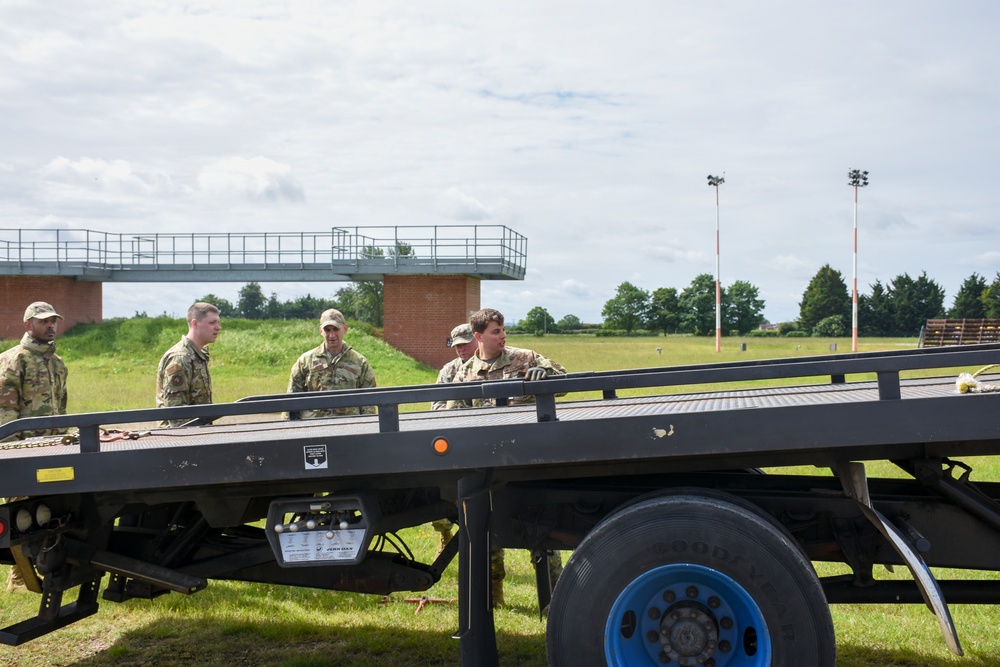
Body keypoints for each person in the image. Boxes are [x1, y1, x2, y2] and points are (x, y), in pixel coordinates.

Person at [447, 308, 566, 606]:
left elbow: (564, 378)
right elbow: (453, 414)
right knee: (487, 535)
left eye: (503, 330)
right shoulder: (463, 372)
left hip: (527, 460)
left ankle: (556, 601)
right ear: (479, 336)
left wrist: (545, 376)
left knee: (543, 534)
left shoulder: (523, 357)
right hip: (487, 465)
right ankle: (493, 602)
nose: (502, 336)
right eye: (496, 331)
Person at [1, 301, 69, 592]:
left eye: (53, 320)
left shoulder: (57, 363)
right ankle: (20, 578)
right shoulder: (14, 360)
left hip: (53, 448)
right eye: (43, 321)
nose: (50, 325)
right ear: (28, 325)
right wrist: (13, 457)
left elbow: (63, 410)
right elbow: (5, 413)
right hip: (23, 452)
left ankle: (48, 568)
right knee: (21, 517)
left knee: (50, 512)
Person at [429, 323, 479, 556]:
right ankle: (445, 534)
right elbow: (436, 403)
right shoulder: (449, 371)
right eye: (457, 346)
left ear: (477, 340)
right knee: (438, 499)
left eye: (466, 344)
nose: (461, 349)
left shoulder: (486, 367)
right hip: (453, 443)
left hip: (479, 442)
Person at [287, 308, 376, 418]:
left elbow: (368, 403)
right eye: (327, 330)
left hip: (349, 427)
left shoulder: (360, 363)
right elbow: (292, 398)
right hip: (314, 427)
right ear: (321, 331)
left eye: (335, 329)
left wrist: (367, 428)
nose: (332, 335)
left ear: (345, 329)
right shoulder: (305, 361)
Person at [155, 302, 221, 427]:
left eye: (218, 322)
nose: (218, 327)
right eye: (212, 323)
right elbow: (176, 415)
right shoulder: (180, 358)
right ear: (195, 324)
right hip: (180, 439)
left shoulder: (197, 355)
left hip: (196, 435)